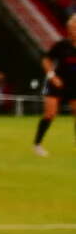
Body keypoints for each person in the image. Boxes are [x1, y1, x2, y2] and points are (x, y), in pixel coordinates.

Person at [36, 15, 76, 156]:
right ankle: (38, 144)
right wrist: (52, 76)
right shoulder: (61, 45)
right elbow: (46, 60)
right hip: (57, 83)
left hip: (74, 85)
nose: (72, 31)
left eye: (74, 28)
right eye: (71, 28)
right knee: (50, 114)